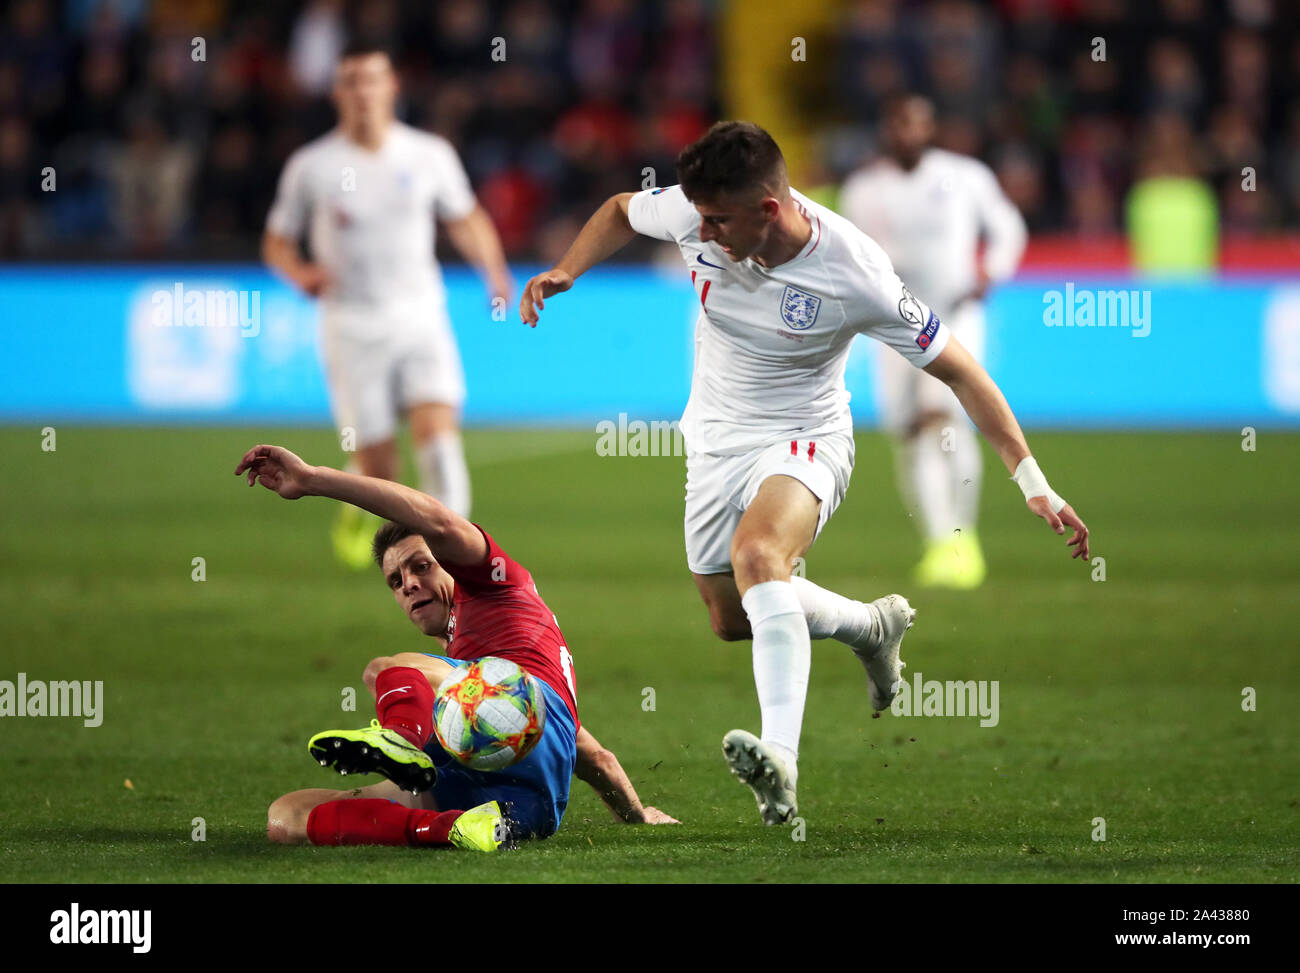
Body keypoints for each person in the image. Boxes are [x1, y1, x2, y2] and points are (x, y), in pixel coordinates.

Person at [519, 121, 1088, 826]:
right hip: (714, 438)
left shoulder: (855, 271)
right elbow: (615, 211)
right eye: (699, 216)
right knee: (731, 618)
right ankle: (868, 627)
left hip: (805, 437)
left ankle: (780, 758)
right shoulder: (698, 214)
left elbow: (964, 371)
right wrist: (566, 271)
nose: (704, 233)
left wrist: (1031, 479)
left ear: (768, 209)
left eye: (719, 220)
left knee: (760, 556)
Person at [235, 443, 678, 853]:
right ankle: (457, 829)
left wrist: (313, 479)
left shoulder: (496, 585)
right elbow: (591, 754)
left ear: (449, 562)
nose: (409, 584)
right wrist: (637, 816)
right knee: (288, 816)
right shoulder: (458, 661)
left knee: (384, 669)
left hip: (525, 726)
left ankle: (399, 741)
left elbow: (440, 521)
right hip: (519, 806)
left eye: (421, 566)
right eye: (395, 581)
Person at [263, 42, 511, 568]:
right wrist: (299, 272)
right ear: (337, 93)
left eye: (372, 79)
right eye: (350, 81)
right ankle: (362, 503)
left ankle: (452, 560)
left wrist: (493, 269)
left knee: (440, 442)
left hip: (420, 314)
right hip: (350, 325)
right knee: (380, 466)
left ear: (392, 86)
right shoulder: (312, 166)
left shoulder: (427, 154)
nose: (362, 91)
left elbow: (464, 217)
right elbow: (277, 241)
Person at [840, 94, 1028, 587]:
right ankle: (939, 541)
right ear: (887, 128)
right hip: (891, 323)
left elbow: (1009, 228)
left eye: (918, 123)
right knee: (907, 433)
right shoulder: (863, 188)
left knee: (941, 421)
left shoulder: (966, 177)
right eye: (900, 122)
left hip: (954, 315)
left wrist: (994, 269)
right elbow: (849, 255)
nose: (908, 132)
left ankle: (960, 541)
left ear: (931, 128)